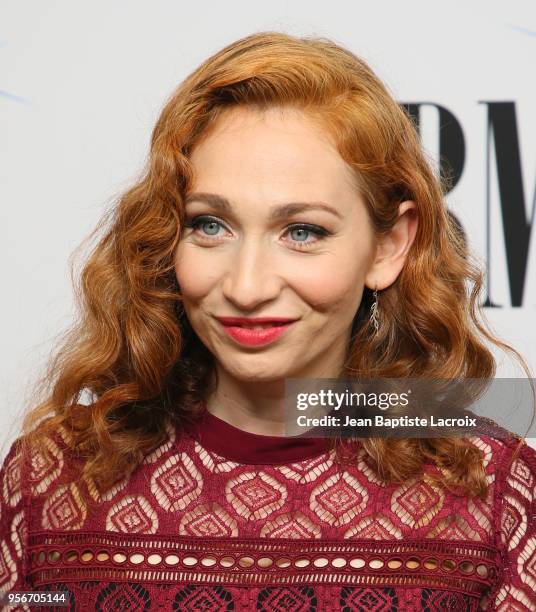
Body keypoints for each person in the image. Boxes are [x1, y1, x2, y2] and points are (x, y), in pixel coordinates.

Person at [1, 31, 535, 611]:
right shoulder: (51, 481)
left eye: (302, 232)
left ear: (388, 247)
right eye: (209, 225)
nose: (247, 286)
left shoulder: (490, 495)